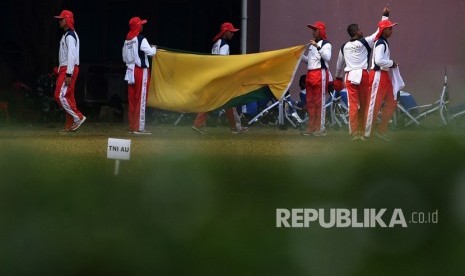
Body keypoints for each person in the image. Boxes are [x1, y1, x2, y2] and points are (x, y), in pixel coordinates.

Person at [334, 6, 391, 140]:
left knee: (352, 106)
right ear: (357, 31)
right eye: (360, 29)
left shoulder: (343, 47)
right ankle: (363, 131)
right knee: (365, 105)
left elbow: (338, 65)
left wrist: (337, 77)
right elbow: (379, 31)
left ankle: (354, 133)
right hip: (363, 75)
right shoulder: (365, 41)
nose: (362, 31)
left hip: (349, 76)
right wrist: (385, 15)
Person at [192, 22, 248, 134]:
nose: (233, 34)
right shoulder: (225, 45)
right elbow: (222, 62)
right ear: (226, 32)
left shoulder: (217, 43)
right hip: (221, 77)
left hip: (214, 76)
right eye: (231, 32)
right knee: (229, 102)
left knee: (211, 102)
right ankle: (236, 128)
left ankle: (198, 125)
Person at [364, 19, 399, 141]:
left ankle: (381, 130)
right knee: (373, 105)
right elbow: (378, 61)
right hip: (377, 75)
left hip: (384, 75)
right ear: (384, 30)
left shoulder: (383, 42)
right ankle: (367, 133)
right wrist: (392, 63)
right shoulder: (380, 43)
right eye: (390, 28)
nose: (391, 30)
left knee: (392, 102)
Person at [122, 17, 157, 135]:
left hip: (130, 71)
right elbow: (151, 53)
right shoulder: (141, 39)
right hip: (140, 71)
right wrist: (154, 48)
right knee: (141, 99)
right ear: (138, 26)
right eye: (141, 24)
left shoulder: (127, 40)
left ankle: (132, 127)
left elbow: (124, 57)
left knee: (132, 100)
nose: (142, 26)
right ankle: (139, 128)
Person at [54, 10, 86, 133]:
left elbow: (71, 56)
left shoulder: (70, 36)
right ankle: (70, 125)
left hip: (68, 69)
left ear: (67, 20)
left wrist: (68, 73)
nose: (59, 21)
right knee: (69, 98)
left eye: (61, 19)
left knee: (59, 96)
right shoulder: (67, 35)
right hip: (66, 68)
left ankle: (78, 117)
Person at [301, 21, 332, 136]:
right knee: (310, 102)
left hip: (320, 73)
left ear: (321, 30)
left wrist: (317, 46)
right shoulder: (312, 45)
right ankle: (311, 127)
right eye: (312, 30)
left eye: (315, 29)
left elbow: (327, 57)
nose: (313, 32)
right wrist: (299, 56)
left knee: (320, 102)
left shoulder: (326, 44)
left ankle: (321, 128)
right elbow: (309, 61)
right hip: (310, 74)